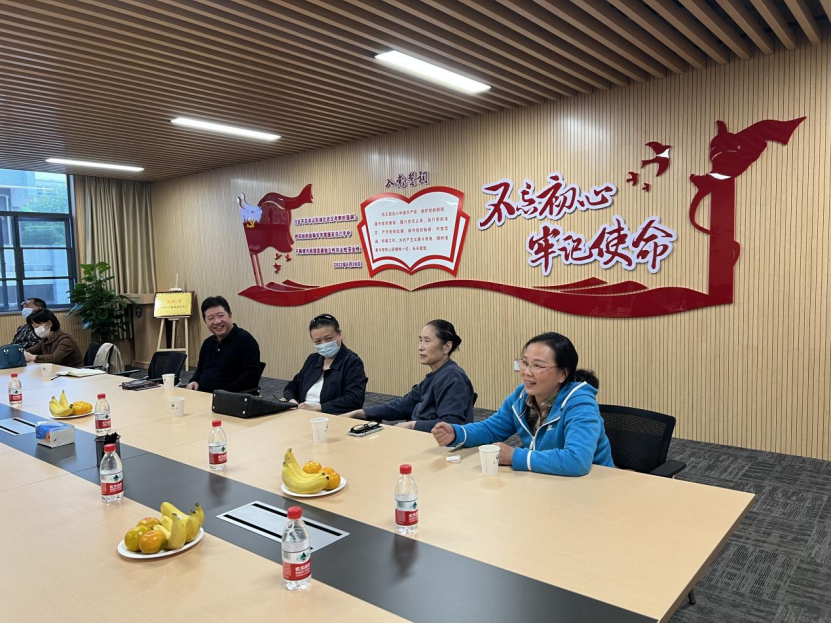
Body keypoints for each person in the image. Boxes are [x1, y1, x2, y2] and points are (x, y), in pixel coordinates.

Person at [432, 332, 614, 477]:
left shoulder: (580, 403)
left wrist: (514, 456)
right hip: (548, 481)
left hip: (593, 488)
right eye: (524, 363)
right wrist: (457, 432)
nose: (526, 372)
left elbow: (577, 460)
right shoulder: (521, 396)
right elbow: (491, 429)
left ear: (562, 374)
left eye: (537, 366)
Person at [341, 320, 474, 432]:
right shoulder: (435, 375)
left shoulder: (452, 377)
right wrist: (363, 413)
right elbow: (404, 405)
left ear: (446, 347)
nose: (420, 347)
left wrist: (412, 425)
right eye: (420, 340)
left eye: (427, 341)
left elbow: (451, 424)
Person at [283, 314, 367, 414]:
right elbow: (291, 387)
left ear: (339, 334)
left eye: (328, 338)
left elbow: (354, 399)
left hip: (332, 416)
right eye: (317, 341)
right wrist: (293, 402)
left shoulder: (352, 361)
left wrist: (316, 408)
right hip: (302, 412)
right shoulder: (312, 359)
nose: (324, 344)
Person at [186, 296, 262, 393]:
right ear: (205, 321)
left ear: (230, 315)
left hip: (230, 397)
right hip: (203, 395)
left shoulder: (245, 340)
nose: (217, 321)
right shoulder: (207, 343)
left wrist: (224, 393)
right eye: (210, 318)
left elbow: (251, 375)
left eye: (221, 315)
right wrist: (194, 380)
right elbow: (200, 369)